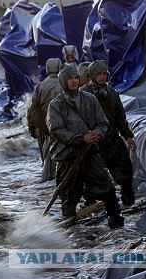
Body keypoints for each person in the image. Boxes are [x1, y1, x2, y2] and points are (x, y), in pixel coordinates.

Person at [46, 64, 124, 229]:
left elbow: (103, 122)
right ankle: (71, 230)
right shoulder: (56, 104)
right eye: (70, 78)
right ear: (63, 80)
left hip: (89, 154)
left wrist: (98, 134)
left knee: (106, 186)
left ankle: (116, 220)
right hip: (68, 156)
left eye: (76, 77)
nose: (74, 81)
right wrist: (81, 138)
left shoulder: (90, 99)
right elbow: (57, 130)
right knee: (69, 195)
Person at [80, 60, 136, 206]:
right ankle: (91, 203)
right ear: (92, 75)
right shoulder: (83, 94)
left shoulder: (112, 93)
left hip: (112, 138)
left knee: (125, 171)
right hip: (94, 141)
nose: (102, 77)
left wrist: (128, 136)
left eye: (104, 73)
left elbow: (120, 118)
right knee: (93, 175)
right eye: (99, 74)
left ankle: (127, 200)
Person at [27, 58, 63, 182]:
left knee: (46, 154)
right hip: (62, 125)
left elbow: (32, 108)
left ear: (47, 69)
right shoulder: (64, 83)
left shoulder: (40, 86)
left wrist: (31, 127)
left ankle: (47, 180)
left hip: (43, 126)